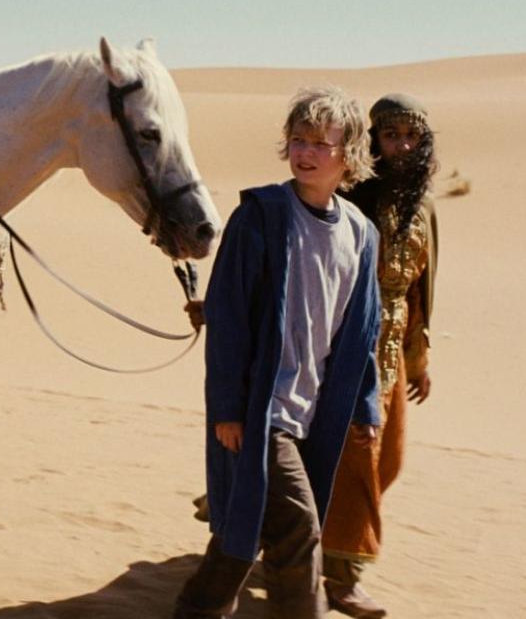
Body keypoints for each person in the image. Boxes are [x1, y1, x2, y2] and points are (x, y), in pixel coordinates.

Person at [173, 86, 383, 619]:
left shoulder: (361, 233)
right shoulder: (262, 216)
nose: (305, 153)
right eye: (297, 140)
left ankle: (198, 610)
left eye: (320, 143)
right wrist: (226, 407)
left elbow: (362, 329)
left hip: (318, 410)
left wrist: (364, 406)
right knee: (298, 531)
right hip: (262, 408)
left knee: (245, 528)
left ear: (348, 154)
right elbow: (227, 315)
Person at [320, 94, 439, 618]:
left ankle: (303, 537)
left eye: (412, 136)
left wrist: (420, 359)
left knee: (388, 461)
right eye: (392, 136)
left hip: (395, 346)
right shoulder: (354, 196)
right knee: (357, 461)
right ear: (375, 140)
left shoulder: (424, 203)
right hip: (349, 344)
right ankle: (342, 578)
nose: (403, 146)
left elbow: (421, 289)